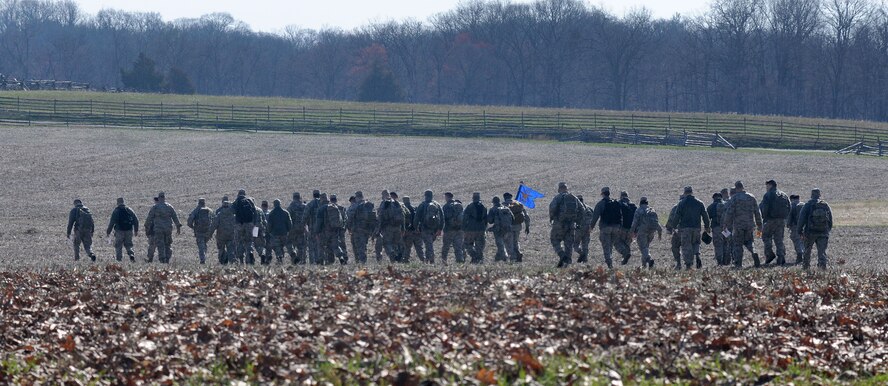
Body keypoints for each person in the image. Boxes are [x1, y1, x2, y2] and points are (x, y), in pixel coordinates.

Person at [724, 181, 763, 268]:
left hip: (738, 225)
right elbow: (757, 212)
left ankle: (738, 264)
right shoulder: (751, 197)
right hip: (749, 225)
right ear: (743, 187)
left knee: (738, 244)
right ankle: (754, 252)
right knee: (749, 241)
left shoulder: (734, 198)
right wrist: (759, 225)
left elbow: (729, 213)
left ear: (736, 188)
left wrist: (726, 225)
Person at [673, 186, 711, 270]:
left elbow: (677, 216)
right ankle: (697, 254)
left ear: (685, 193)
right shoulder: (699, 202)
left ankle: (688, 265)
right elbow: (705, 215)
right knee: (696, 243)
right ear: (692, 192)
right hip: (697, 228)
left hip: (685, 228)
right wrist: (707, 226)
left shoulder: (681, 203)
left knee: (686, 246)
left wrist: (673, 226)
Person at [797, 188, 833, 270]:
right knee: (822, 252)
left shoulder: (807, 205)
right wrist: (827, 230)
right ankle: (822, 268)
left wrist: (799, 231)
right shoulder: (825, 205)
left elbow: (801, 219)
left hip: (810, 232)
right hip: (823, 232)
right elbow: (830, 220)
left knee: (807, 251)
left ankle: (806, 268)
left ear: (811, 195)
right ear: (819, 195)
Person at [549, 182, 582, 268]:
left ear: (559, 189)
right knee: (569, 244)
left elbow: (552, 208)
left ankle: (562, 255)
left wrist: (552, 218)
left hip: (559, 224)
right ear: (567, 189)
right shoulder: (574, 198)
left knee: (554, 240)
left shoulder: (558, 197)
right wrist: (578, 221)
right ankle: (568, 262)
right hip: (571, 225)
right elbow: (582, 209)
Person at [589, 187, 622, 269]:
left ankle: (609, 264)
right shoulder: (616, 202)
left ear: (602, 194)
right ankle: (610, 261)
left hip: (605, 228)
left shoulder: (601, 204)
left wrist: (591, 227)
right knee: (610, 245)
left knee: (606, 246)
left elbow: (595, 217)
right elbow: (620, 216)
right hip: (616, 228)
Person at [144, 192, 182, 264]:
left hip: (158, 229)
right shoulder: (170, 207)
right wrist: (178, 227)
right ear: (164, 198)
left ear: (159, 198)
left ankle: (162, 259)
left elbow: (149, 218)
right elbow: (175, 217)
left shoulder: (155, 207)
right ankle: (167, 258)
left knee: (160, 244)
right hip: (168, 229)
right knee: (168, 244)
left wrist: (146, 227)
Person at [760, 180, 791, 266]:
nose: (766, 188)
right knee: (779, 239)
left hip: (770, 219)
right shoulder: (784, 195)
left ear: (770, 185)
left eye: (767, 186)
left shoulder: (768, 195)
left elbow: (765, 208)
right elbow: (789, 207)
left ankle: (769, 255)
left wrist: (764, 218)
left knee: (766, 236)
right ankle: (781, 257)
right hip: (781, 220)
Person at [630, 197, 663, 268]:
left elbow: (634, 223)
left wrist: (631, 232)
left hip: (642, 232)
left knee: (643, 248)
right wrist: (659, 233)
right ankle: (644, 265)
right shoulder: (652, 210)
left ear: (640, 203)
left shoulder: (639, 210)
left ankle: (649, 260)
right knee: (645, 248)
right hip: (651, 232)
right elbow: (657, 222)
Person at [414, 190, 444, 264]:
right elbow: (442, 217)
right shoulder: (437, 204)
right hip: (435, 229)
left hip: (425, 228)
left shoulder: (422, 205)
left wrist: (416, 227)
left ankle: (431, 260)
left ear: (425, 196)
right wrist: (440, 229)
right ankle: (429, 259)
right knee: (429, 244)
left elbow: (416, 217)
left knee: (428, 245)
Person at [347, 191, 377, 264]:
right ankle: (363, 262)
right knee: (363, 246)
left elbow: (349, 218)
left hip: (357, 230)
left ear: (356, 197)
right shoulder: (368, 205)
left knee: (358, 247)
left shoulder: (354, 206)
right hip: (366, 230)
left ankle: (361, 263)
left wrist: (349, 228)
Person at [377, 190, 406, 263]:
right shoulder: (396, 202)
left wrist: (379, 229)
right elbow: (402, 215)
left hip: (387, 227)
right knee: (395, 243)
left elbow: (380, 216)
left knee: (387, 243)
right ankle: (397, 258)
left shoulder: (384, 203)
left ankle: (391, 254)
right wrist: (403, 228)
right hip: (397, 227)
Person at [106, 197, 139, 262]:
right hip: (129, 230)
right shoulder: (129, 209)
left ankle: (119, 259)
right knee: (128, 244)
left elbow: (112, 222)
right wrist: (136, 230)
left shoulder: (116, 211)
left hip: (119, 231)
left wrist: (108, 231)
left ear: (117, 203)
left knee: (118, 245)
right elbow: (136, 220)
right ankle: (131, 254)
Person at [231, 190, 258, 264]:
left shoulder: (236, 201)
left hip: (239, 225)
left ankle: (241, 260)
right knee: (249, 241)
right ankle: (250, 254)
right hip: (249, 224)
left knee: (239, 242)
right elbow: (255, 213)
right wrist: (254, 224)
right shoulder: (249, 200)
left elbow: (232, 211)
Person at [503, 192, 530, 263]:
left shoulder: (503, 205)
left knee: (509, 243)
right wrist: (527, 226)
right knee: (516, 242)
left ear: (504, 197)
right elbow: (526, 216)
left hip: (509, 227)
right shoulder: (518, 204)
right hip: (518, 226)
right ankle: (518, 253)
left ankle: (513, 258)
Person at [186, 198, 214, 264]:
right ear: (204, 202)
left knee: (201, 246)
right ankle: (204, 256)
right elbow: (214, 220)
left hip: (199, 231)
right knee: (204, 244)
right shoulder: (210, 210)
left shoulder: (196, 210)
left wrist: (193, 227)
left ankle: (202, 259)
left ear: (198, 202)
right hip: (207, 231)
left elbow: (189, 221)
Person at [462, 192, 487, 264]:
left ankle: (474, 256)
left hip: (471, 229)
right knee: (479, 246)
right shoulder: (484, 207)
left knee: (467, 245)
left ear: (473, 198)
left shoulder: (469, 206)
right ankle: (479, 259)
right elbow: (486, 219)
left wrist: (463, 228)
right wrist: (484, 228)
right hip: (481, 229)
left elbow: (464, 218)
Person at [441, 192, 465, 263]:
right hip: (460, 229)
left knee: (446, 247)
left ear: (447, 197)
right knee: (458, 246)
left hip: (449, 230)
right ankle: (460, 260)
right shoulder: (459, 205)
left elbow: (443, 218)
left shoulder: (446, 206)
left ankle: (444, 260)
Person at [212, 196, 237, 264]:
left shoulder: (219, 213)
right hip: (231, 235)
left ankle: (223, 262)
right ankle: (233, 262)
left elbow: (214, 224)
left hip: (221, 235)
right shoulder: (233, 214)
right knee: (231, 249)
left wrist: (210, 233)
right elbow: (236, 224)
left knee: (221, 249)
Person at [266, 199, 292, 264]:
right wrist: (288, 230)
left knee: (277, 247)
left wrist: (269, 231)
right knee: (288, 246)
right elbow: (290, 223)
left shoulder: (271, 213)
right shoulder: (285, 212)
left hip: (275, 234)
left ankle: (279, 259)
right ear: (280, 204)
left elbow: (269, 225)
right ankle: (293, 255)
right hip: (284, 233)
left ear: (274, 205)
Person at [488, 196, 514, 262]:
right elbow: (513, 218)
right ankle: (512, 258)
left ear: (493, 202)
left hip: (498, 230)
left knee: (500, 246)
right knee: (509, 245)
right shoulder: (506, 208)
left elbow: (490, 220)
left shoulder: (493, 209)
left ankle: (504, 259)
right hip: (508, 229)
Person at [615, 191, 637, 265]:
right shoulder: (633, 206)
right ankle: (625, 259)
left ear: (621, 196)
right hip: (631, 229)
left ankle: (625, 254)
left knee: (617, 242)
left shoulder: (619, 204)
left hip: (622, 228)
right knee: (627, 245)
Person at [707, 193, 728, 266]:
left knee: (718, 244)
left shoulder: (711, 207)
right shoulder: (726, 204)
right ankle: (727, 261)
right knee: (726, 243)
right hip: (726, 229)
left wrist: (707, 228)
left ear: (713, 198)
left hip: (716, 228)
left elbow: (707, 218)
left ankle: (720, 262)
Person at [287, 192, 308, 264]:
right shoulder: (304, 206)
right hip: (302, 228)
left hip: (292, 229)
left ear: (293, 197)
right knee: (301, 246)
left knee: (290, 244)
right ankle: (299, 259)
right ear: (300, 197)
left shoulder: (291, 206)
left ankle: (294, 258)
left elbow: (288, 218)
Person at [573, 195, 594, 263]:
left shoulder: (576, 209)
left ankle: (582, 254)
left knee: (575, 245)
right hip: (587, 229)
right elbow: (594, 217)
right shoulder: (589, 208)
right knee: (585, 245)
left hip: (579, 229)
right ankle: (585, 260)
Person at [402, 195, 422, 262]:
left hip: (408, 232)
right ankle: (423, 260)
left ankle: (405, 260)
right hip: (416, 232)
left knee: (407, 248)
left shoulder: (404, 209)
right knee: (419, 248)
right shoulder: (414, 208)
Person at [666, 196, 683, 270]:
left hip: (678, 231)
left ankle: (679, 263)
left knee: (675, 247)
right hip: (691, 230)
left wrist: (669, 228)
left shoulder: (676, 207)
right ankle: (690, 263)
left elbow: (671, 219)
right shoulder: (692, 206)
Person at [304, 190, 322, 264]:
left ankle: (312, 263)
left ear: (313, 195)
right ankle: (321, 261)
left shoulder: (310, 204)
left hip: (312, 228)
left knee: (311, 247)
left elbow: (304, 216)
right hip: (322, 229)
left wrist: (304, 227)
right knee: (321, 246)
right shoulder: (323, 204)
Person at [787, 194, 804, 264]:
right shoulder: (804, 205)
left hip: (795, 226)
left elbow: (789, 216)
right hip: (805, 226)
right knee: (803, 241)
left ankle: (800, 254)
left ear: (791, 199)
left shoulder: (791, 206)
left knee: (797, 241)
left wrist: (788, 224)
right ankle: (804, 254)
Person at [145, 197, 158, 262]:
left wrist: (146, 227)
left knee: (152, 245)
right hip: (165, 229)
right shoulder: (168, 207)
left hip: (154, 230)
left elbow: (149, 219)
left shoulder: (154, 208)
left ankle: (150, 259)